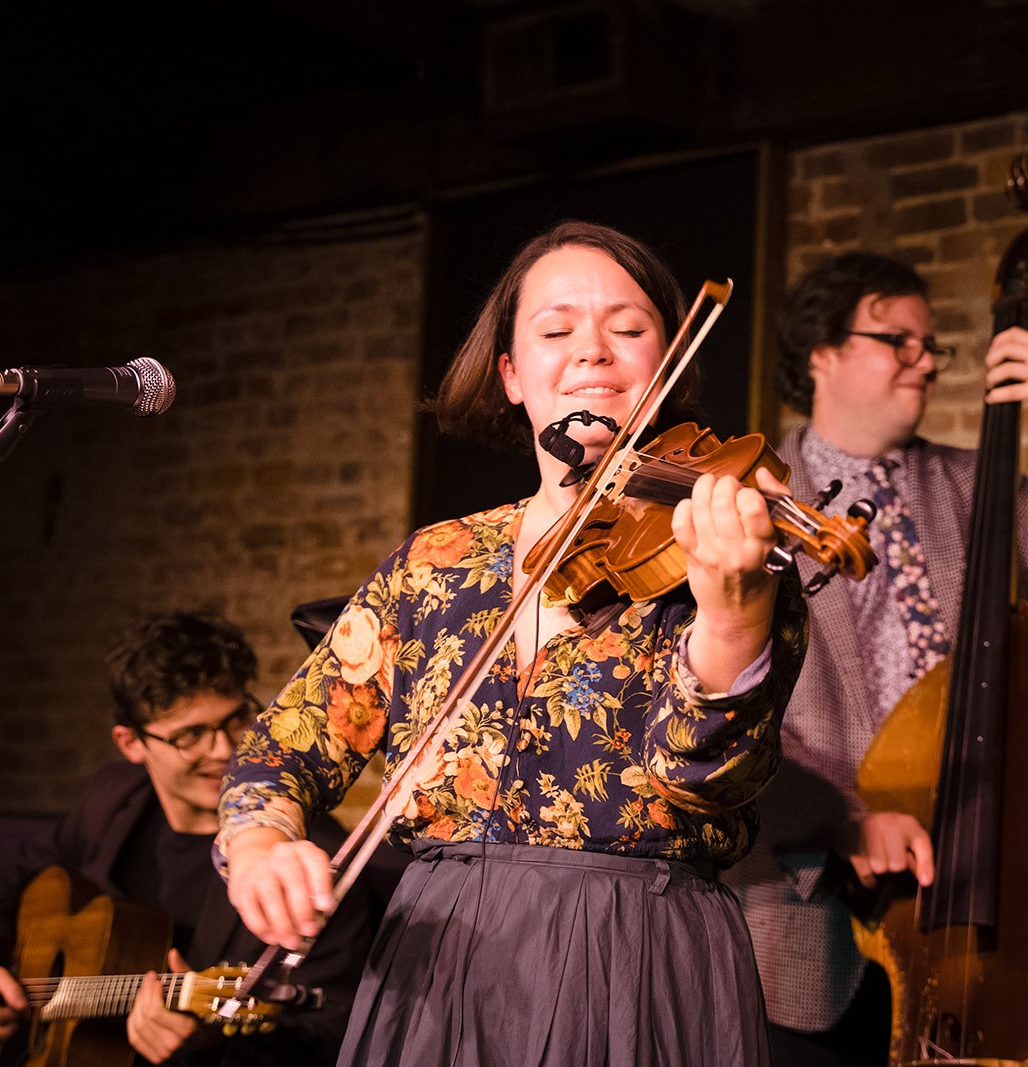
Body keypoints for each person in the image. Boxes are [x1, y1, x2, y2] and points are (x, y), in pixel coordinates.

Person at [216, 220, 809, 1066]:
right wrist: (259, 844)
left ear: (666, 364)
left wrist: (731, 616)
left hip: (633, 961)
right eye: (556, 330)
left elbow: (703, 778)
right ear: (511, 376)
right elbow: (285, 748)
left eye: (629, 329)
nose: (592, 353)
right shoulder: (434, 564)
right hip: (436, 962)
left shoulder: (725, 553)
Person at [722, 251, 1028, 1065]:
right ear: (821, 352)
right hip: (809, 901)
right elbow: (717, 713)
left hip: (984, 875)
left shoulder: (974, 485)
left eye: (931, 344)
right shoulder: (743, 504)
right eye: (898, 340)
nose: (927, 360)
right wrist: (833, 822)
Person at [0, 611, 387, 1066]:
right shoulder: (113, 800)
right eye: (190, 735)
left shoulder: (310, 857)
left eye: (236, 718)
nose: (224, 750)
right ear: (131, 744)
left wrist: (206, 1054)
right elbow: (15, 869)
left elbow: (330, 1038)